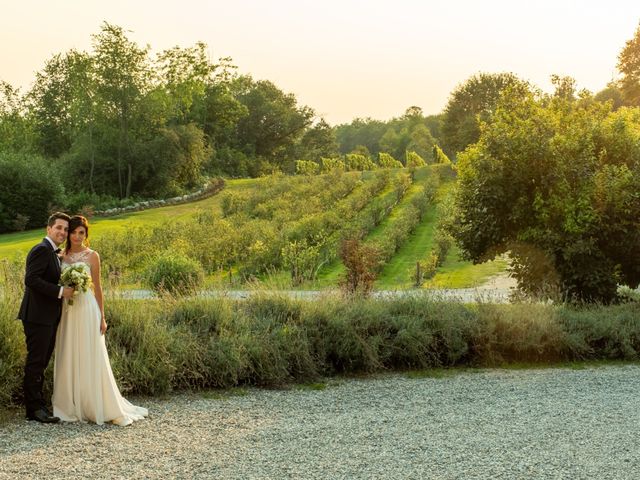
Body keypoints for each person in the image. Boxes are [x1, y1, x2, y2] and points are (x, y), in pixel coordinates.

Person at [52, 215, 148, 426]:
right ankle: (69, 404)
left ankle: (94, 403)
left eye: (81, 233)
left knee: (89, 353)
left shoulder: (92, 256)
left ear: (86, 235)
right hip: (68, 311)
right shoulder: (60, 255)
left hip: (87, 309)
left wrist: (102, 317)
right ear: (68, 234)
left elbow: (98, 287)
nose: (77, 236)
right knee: (69, 352)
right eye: (74, 232)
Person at [18, 212, 75, 423]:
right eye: (59, 227)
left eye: (65, 229)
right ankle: (34, 410)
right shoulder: (41, 249)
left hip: (47, 317)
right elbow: (31, 280)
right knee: (36, 362)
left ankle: (38, 405)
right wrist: (61, 292)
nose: (62, 232)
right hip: (37, 316)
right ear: (48, 229)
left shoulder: (53, 252)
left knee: (41, 361)